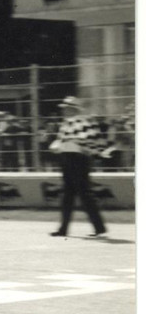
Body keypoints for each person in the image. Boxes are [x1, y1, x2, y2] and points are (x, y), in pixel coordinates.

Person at [48, 97, 113, 238]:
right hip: (67, 159)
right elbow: (63, 140)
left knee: (82, 194)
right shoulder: (67, 123)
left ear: (73, 109)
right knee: (68, 195)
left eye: (66, 107)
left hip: (78, 160)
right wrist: (58, 145)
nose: (63, 110)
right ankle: (64, 229)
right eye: (63, 107)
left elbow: (89, 140)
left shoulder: (82, 121)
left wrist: (65, 143)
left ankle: (97, 227)